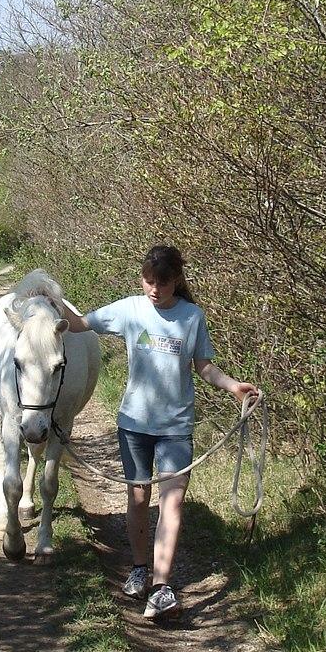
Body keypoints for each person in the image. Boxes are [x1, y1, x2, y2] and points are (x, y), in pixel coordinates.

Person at [62, 245, 258, 619]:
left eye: (163, 282)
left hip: (176, 428)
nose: (155, 289)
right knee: (138, 498)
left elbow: (204, 366)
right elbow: (80, 323)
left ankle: (163, 587)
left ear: (177, 280)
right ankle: (139, 568)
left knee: (173, 502)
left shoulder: (191, 317)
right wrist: (50, 302)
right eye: (149, 281)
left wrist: (234, 387)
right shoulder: (129, 309)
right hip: (134, 424)